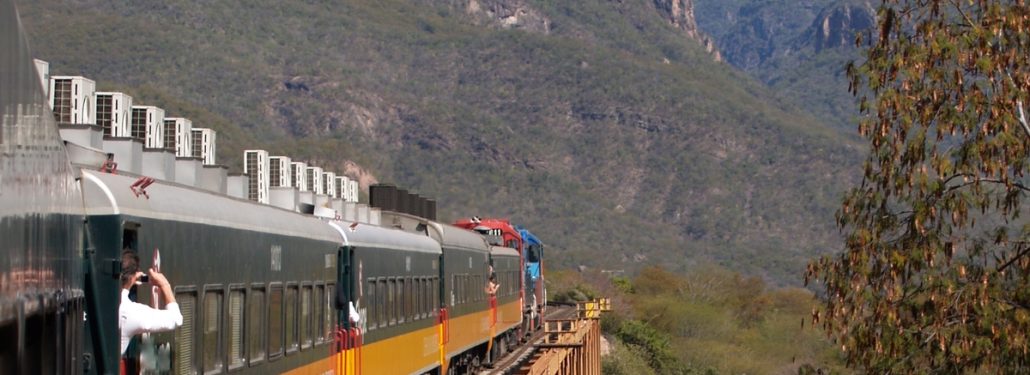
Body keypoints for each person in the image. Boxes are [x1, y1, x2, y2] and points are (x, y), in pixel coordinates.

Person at [119, 253, 182, 355]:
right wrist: (164, 284)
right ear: (134, 277)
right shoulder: (130, 312)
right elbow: (176, 319)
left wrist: (129, 284)